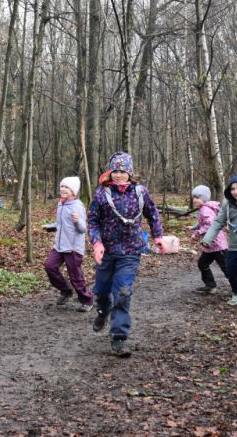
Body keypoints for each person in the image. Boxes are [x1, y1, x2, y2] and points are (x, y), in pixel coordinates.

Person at [88, 152, 165, 357]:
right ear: (110, 172)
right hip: (107, 251)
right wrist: (97, 243)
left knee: (123, 292)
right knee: (102, 291)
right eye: (115, 171)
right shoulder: (102, 194)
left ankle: (119, 337)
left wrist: (158, 236)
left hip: (131, 250)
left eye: (123, 171)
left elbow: (152, 213)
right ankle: (103, 311)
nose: (119, 175)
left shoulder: (140, 192)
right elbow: (93, 221)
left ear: (129, 172)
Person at [202, 175, 237, 310]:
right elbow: (218, 222)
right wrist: (207, 239)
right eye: (233, 189)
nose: (236, 192)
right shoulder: (227, 205)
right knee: (231, 270)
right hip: (234, 245)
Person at [44, 176, 94, 312]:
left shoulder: (77, 206)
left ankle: (87, 300)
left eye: (66, 187)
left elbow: (82, 229)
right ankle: (66, 291)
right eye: (62, 186)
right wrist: (50, 227)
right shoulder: (61, 204)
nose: (63, 189)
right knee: (49, 267)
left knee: (75, 276)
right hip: (59, 246)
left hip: (73, 247)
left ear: (73, 191)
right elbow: (60, 224)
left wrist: (77, 221)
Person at [190, 185, 228, 294]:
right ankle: (210, 286)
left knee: (227, 268)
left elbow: (210, 225)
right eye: (193, 197)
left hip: (218, 245)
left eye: (197, 197)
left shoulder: (205, 209)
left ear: (204, 198)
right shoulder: (204, 208)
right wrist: (195, 227)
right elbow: (203, 222)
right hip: (210, 245)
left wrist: (197, 233)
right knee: (202, 264)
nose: (194, 200)